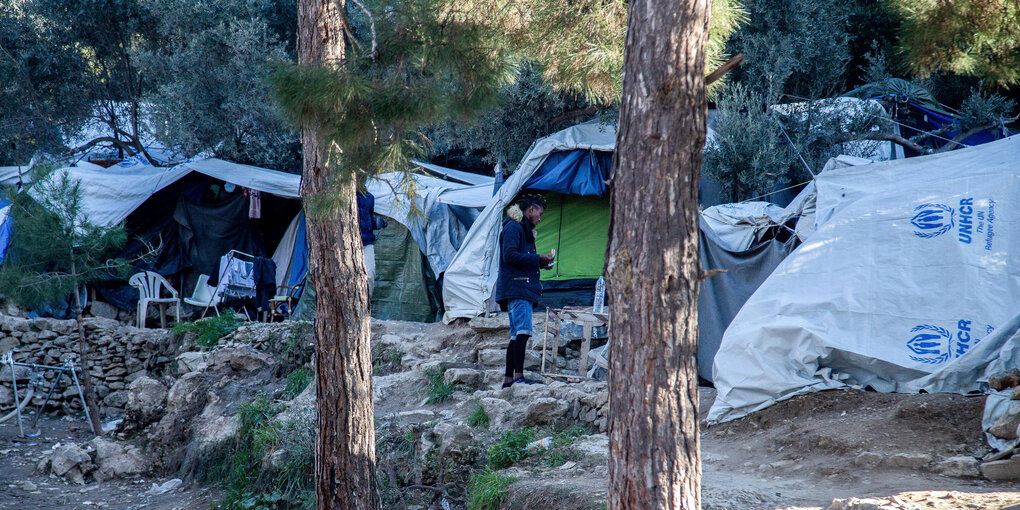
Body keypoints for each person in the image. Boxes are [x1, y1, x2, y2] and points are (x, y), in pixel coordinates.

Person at [494, 194, 555, 388]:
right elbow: (509, 255)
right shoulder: (514, 227)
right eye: (539, 213)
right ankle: (519, 377)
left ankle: (508, 380)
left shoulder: (522, 229)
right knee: (522, 332)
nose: (540, 218)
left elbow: (519, 258)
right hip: (518, 287)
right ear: (530, 210)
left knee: (516, 335)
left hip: (520, 286)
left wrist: (541, 264)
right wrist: (538, 259)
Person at [357, 190, 387, 296]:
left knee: (369, 274)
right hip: (347, 244)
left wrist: (377, 223)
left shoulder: (369, 197)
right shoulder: (341, 195)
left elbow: (369, 219)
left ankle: (365, 306)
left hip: (367, 242)